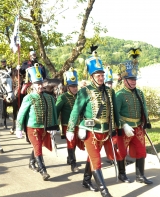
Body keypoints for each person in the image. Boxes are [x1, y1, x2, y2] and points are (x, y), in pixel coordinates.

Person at [67, 45, 120, 197]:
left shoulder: (110, 91)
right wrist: (70, 129)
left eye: (102, 75)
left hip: (105, 131)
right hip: (90, 131)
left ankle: (86, 180)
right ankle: (105, 192)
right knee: (96, 160)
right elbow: (76, 111)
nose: (101, 78)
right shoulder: (84, 91)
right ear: (92, 77)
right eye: (98, 76)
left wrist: (117, 128)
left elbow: (114, 111)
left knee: (92, 157)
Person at [115, 47, 153, 185]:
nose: (133, 81)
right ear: (124, 80)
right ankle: (122, 174)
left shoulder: (140, 93)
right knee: (121, 152)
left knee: (141, 151)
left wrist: (145, 122)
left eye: (135, 79)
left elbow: (144, 109)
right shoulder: (119, 95)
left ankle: (140, 175)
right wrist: (123, 125)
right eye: (131, 79)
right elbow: (115, 114)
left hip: (138, 128)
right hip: (124, 128)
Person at [16, 64, 59, 181]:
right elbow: (21, 114)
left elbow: (53, 112)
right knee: (38, 146)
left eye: (41, 84)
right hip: (32, 127)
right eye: (37, 84)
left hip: (45, 128)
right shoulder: (28, 98)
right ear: (33, 85)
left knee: (38, 145)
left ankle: (31, 162)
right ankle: (43, 170)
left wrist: (54, 126)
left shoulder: (49, 98)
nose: (40, 86)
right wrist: (18, 128)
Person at [55, 67, 85, 173]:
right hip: (67, 124)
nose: (75, 88)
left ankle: (69, 157)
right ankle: (73, 163)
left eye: (76, 86)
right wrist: (54, 124)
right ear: (68, 87)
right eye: (72, 86)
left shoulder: (80, 96)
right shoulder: (63, 97)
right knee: (71, 143)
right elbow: (56, 110)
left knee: (76, 142)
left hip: (79, 124)